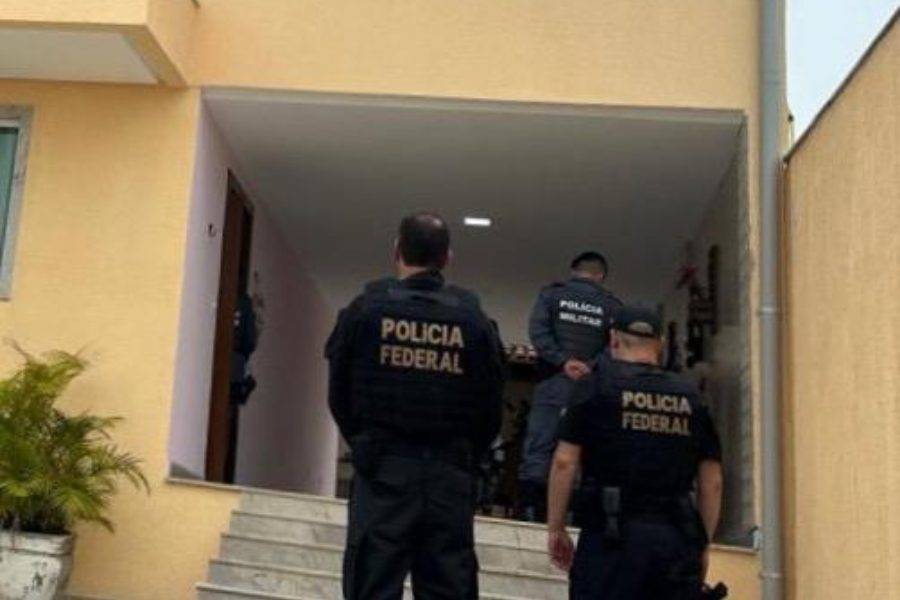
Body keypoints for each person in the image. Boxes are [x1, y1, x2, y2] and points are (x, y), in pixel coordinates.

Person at [325, 212, 505, 600]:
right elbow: (491, 409)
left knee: (372, 585)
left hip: (383, 471)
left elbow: (339, 395)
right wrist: (465, 455)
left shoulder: (365, 311)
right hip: (449, 477)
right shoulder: (474, 321)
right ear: (447, 258)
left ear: (397, 251)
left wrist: (364, 443)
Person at [546, 304, 724, 599]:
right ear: (661, 346)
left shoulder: (594, 388)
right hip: (674, 539)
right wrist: (701, 543)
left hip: (609, 538)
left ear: (613, 340)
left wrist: (556, 528)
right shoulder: (692, 397)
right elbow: (712, 481)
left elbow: (565, 462)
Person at [517, 251, 622, 521]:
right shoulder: (612, 306)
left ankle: (531, 512)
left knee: (540, 445)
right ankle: (575, 515)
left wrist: (563, 361)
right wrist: (590, 367)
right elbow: (615, 347)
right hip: (590, 388)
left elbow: (538, 332)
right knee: (585, 449)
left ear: (573, 271)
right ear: (601, 276)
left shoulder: (551, 295)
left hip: (553, 381)